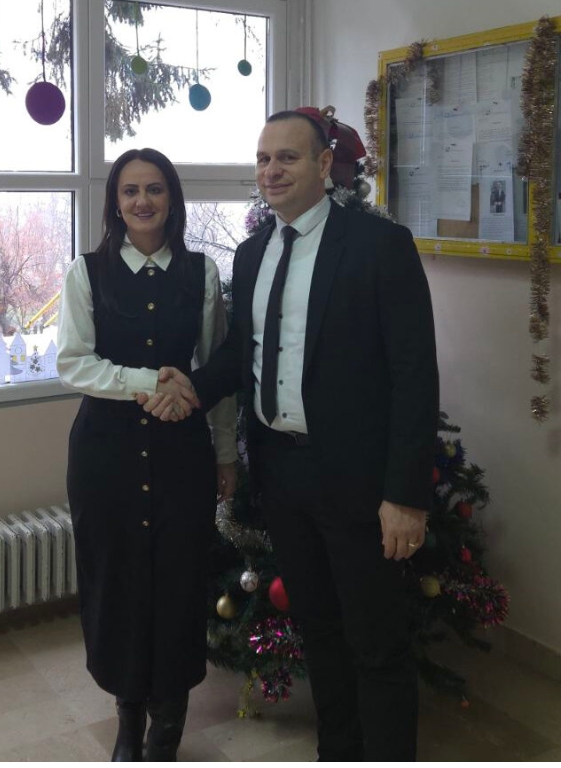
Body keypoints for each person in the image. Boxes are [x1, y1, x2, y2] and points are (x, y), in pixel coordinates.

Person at [139, 111, 439, 761]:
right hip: (282, 473)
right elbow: (240, 356)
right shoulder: (253, 253)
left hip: (359, 483)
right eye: (262, 158)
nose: (271, 171)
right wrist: (189, 386)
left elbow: (415, 377)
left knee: (377, 643)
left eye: (287, 158)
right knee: (320, 632)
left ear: (324, 164)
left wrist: (405, 496)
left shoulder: (378, 246)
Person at [57, 147, 237, 762]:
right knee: (116, 585)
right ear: (115, 203)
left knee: (179, 585)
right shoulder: (86, 273)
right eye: (130, 190)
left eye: (154, 189)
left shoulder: (201, 273)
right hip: (104, 457)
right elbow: (73, 363)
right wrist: (147, 382)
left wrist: (225, 453)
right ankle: (128, 717)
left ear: (172, 200)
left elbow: (215, 373)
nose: (142, 201)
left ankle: (168, 725)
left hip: (181, 455)